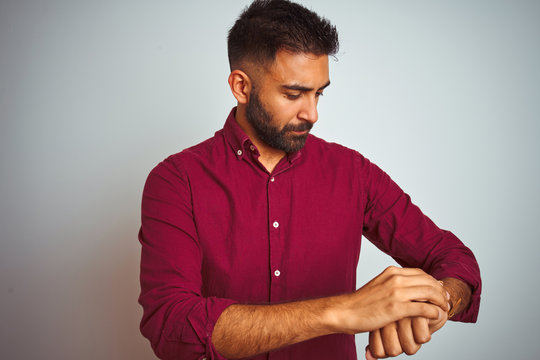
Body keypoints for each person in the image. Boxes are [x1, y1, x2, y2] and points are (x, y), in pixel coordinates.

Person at [138, 1, 481, 359]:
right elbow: (172, 326)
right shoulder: (176, 181)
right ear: (241, 87)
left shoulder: (353, 172)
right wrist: (345, 311)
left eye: (319, 93)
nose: (312, 113)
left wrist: (436, 302)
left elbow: (454, 259)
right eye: (293, 94)